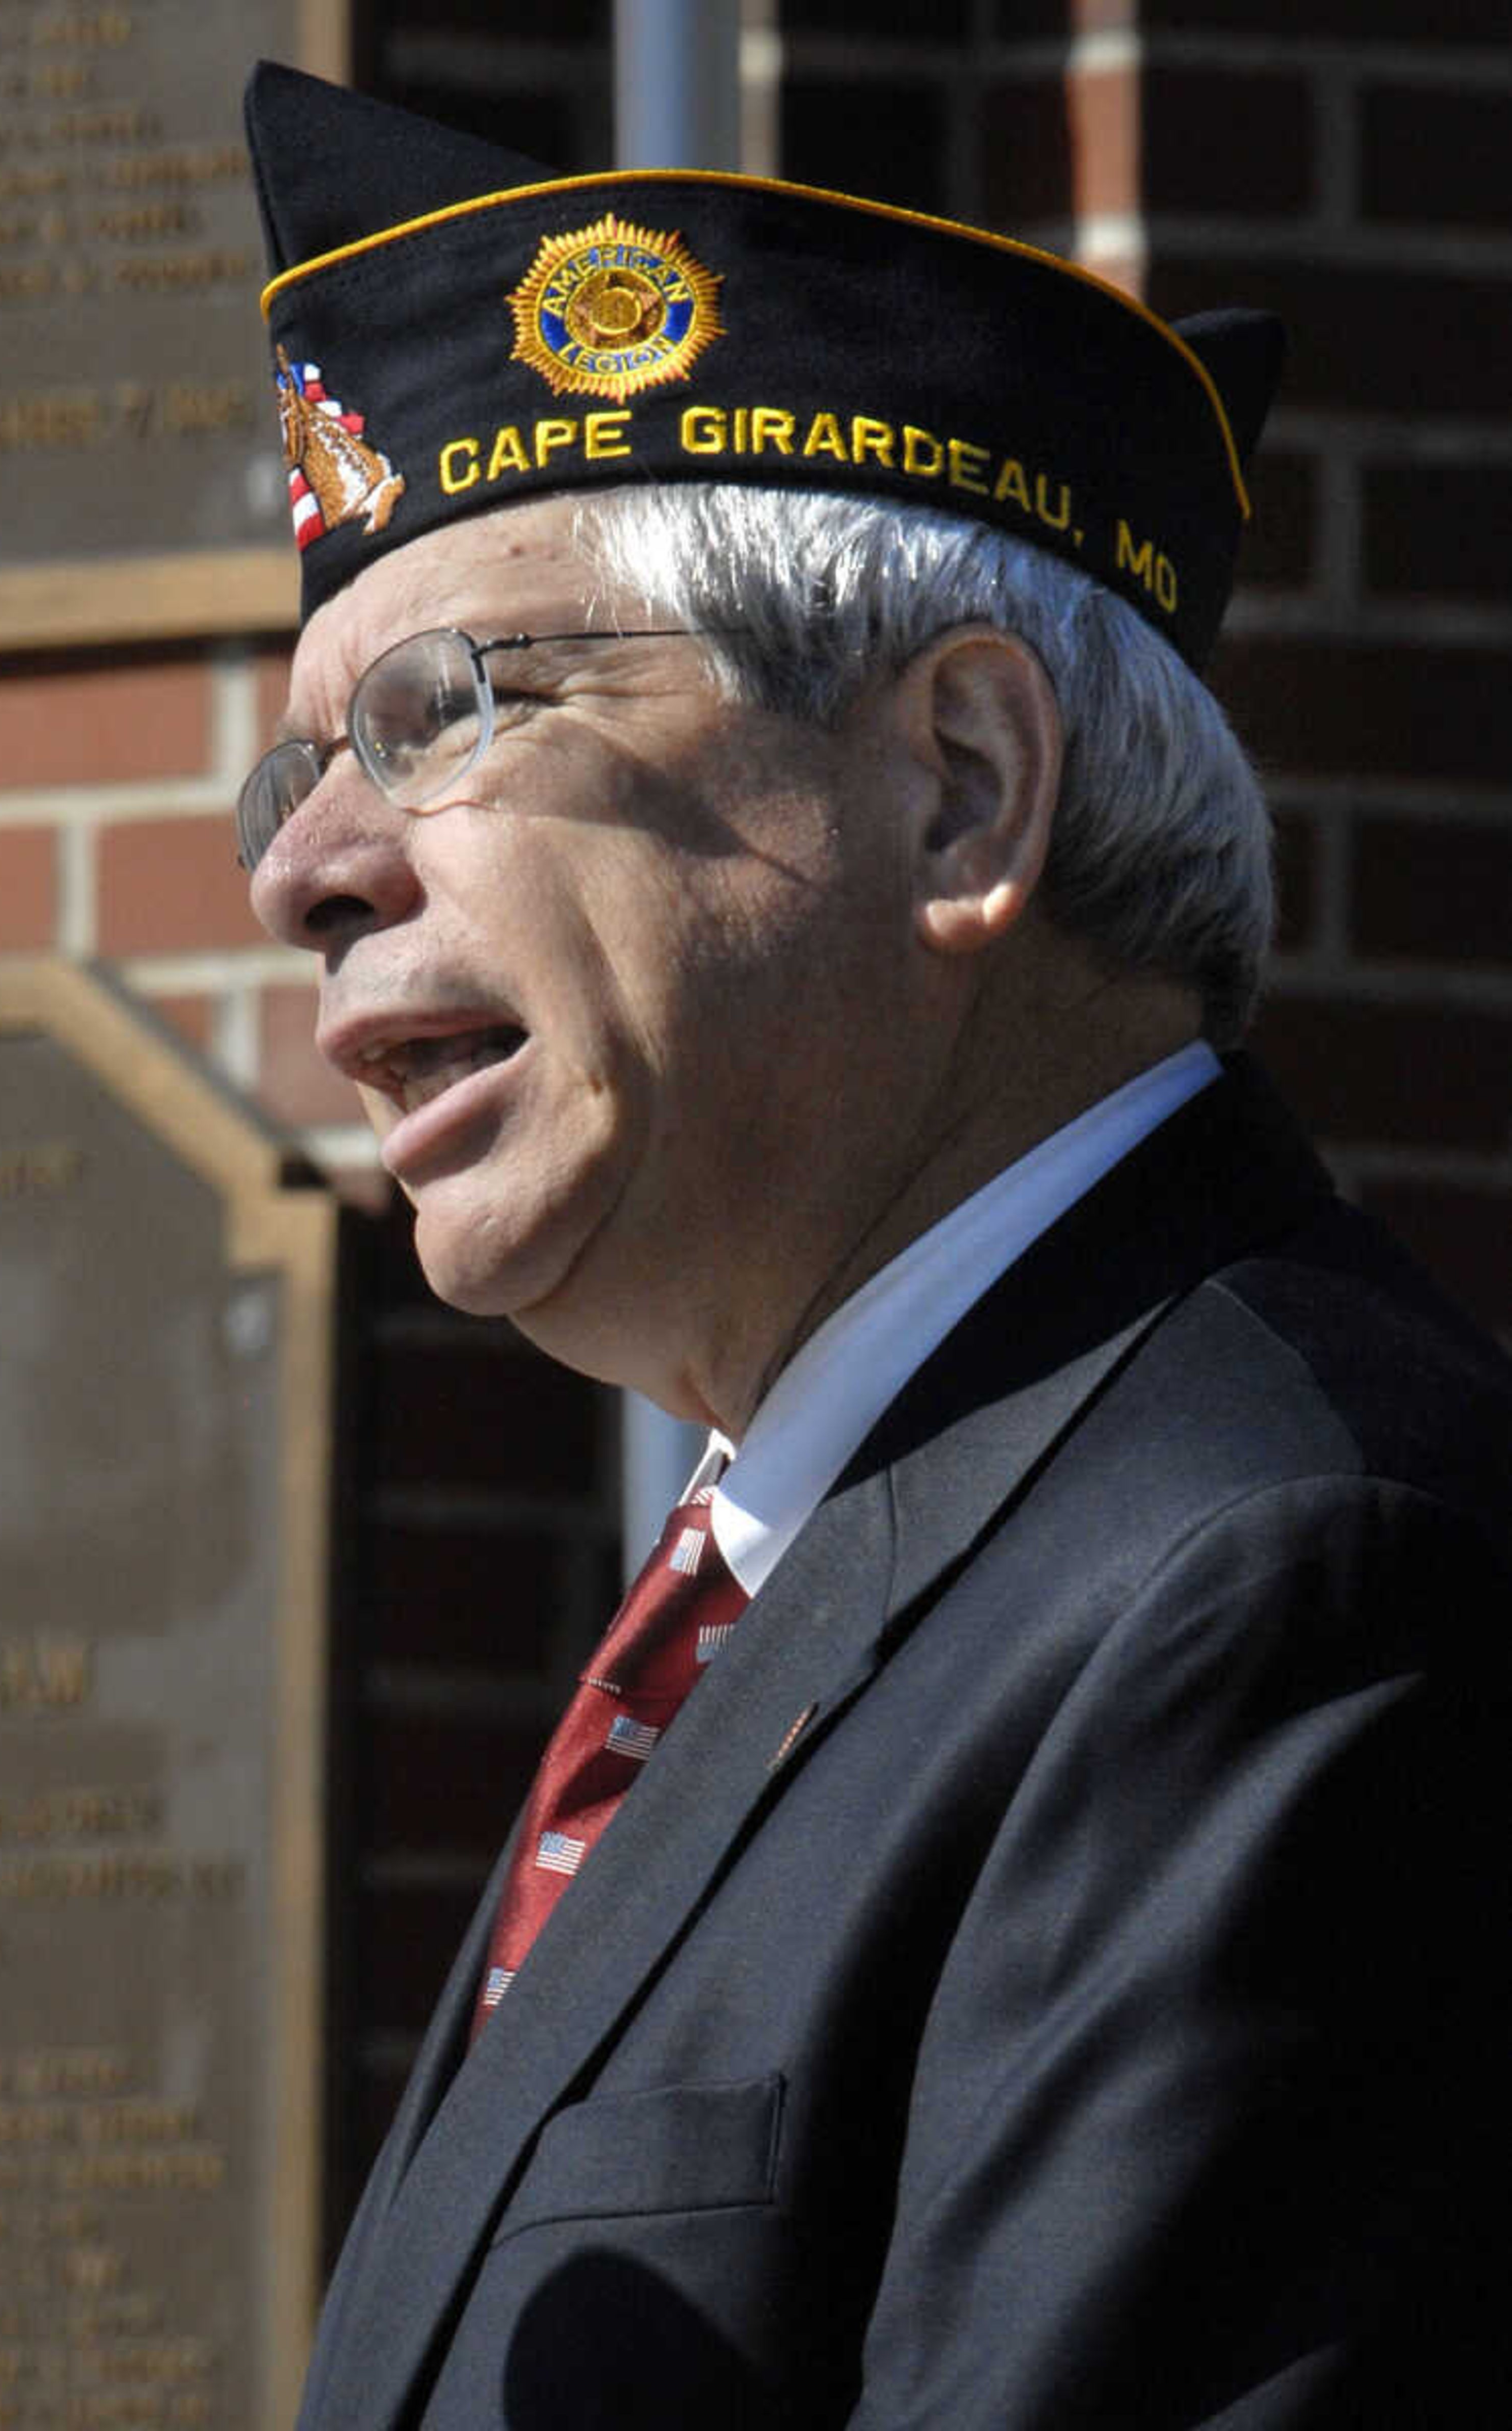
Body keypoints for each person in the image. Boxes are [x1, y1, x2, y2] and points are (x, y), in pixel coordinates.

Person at [240, 62, 1512, 2430]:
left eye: (439, 713)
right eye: (294, 767)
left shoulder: (1272, 1584)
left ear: (957, 785)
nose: (303, 867)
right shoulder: (797, 1585)